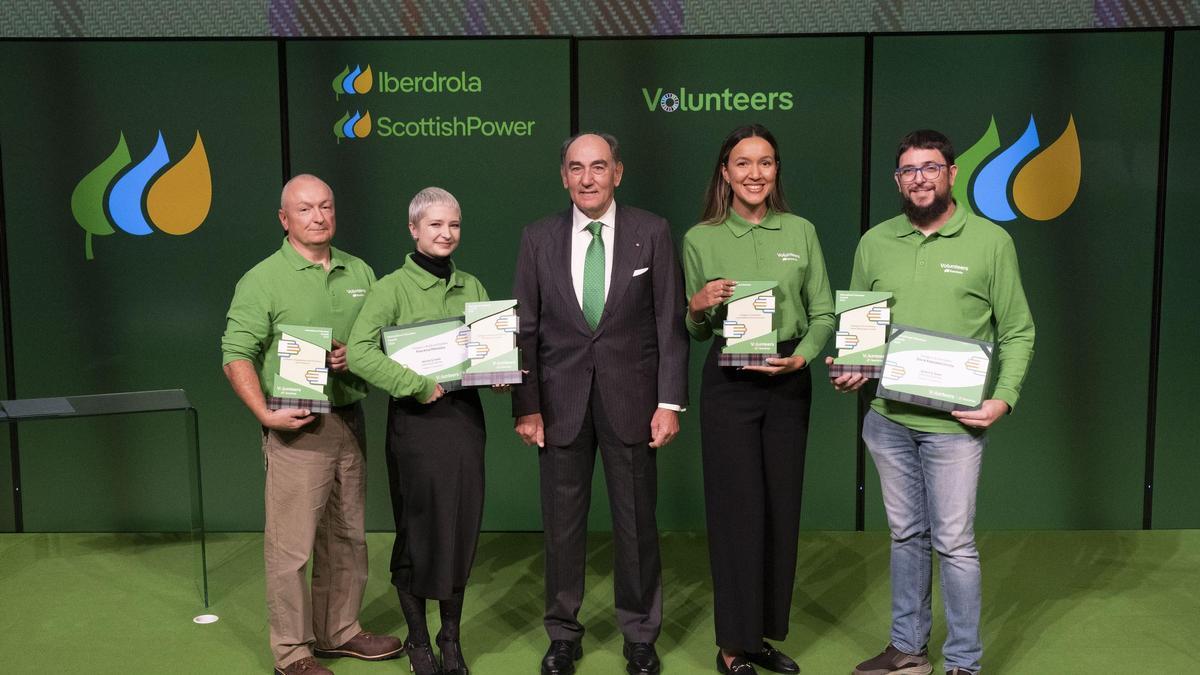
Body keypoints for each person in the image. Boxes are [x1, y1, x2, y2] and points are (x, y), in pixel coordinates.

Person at [831, 130, 1035, 675]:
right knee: (906, 536)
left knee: (955, 545)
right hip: (888, 422)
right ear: (898, 180)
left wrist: (1003, 400)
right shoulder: (874, 241)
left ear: (950, 173)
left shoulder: (990, 242)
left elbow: (1018, 331)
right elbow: (860, 331)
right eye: (908, 170)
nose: (919, 178)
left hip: (955, 428)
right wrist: (853, 367)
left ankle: (963, 663)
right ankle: (908, 649)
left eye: (930, 167)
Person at [512, 132, 689, 675]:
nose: (587, 178)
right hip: (559, 403)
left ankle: (640, 633)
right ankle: (562, 634)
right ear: (562, 176)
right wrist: (527, 405)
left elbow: (669, 323)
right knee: (562, 526)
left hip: (633, 402)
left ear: (618, 171)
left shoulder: (652, 232)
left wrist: (669, 402)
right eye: (575, 168)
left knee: (636, 524)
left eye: (598, 167)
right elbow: (525, 328)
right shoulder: (538, 237)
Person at [221, 174, 403, 675]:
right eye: (305, 209)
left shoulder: (359, 270)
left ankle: (339, 632)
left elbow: (380, 340)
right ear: (285, 219)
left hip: (350, 418)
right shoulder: (262, 280)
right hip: (295, 426)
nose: (318, 216)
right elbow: (236, 354)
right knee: (292, 547)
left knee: (347, 537)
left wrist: (357, 356)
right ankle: (292, 653)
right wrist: (264, 413)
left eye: (326, 206)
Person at [681, 124, 834, 674]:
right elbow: (698, 330)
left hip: (788, 379)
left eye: (765, 163)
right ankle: (731, 645)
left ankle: (761, 636)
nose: (754, 174)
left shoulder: (802, 230)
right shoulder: (701, 238)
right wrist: (697, 305)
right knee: (735, 513)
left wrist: (805, 356)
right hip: (729, 383)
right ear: (725, 172)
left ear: (776, 171)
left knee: (779, 510)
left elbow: (824, 314)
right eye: (742, 163)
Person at [346, 187, 490, 675]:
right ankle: (417, 641)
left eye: (454, 225)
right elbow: (361, 353)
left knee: (460, 531)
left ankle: (451, 639)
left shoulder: (472, 285)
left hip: (466, 424)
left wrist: (503, 376)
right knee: (419, 534)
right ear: (413, 229)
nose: (446, 234)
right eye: (435, 225)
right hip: (417, 425)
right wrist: (415, 384)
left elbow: (492, 353)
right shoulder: (390, 288)